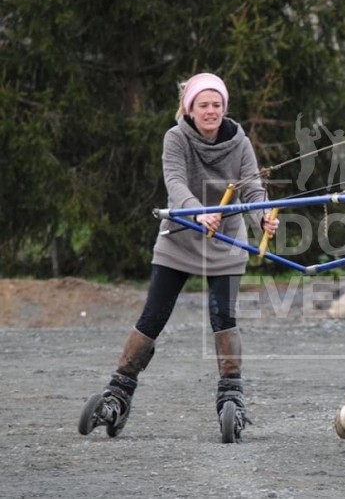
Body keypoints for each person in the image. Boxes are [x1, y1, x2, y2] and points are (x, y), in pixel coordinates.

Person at [78, 72, 279, 442]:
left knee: (223, 318)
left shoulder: (239, 143)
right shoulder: (176, 138)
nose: (211, 111)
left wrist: (262, 215)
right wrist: (196, 212)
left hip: (226, 241)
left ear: (224, 108)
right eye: (203, 104)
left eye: (217, 104)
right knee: (153, 316)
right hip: (180, 237)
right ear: (190, 108)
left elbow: (252, 187)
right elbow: (175, 182)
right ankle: (119, 392)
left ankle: (231, 396)